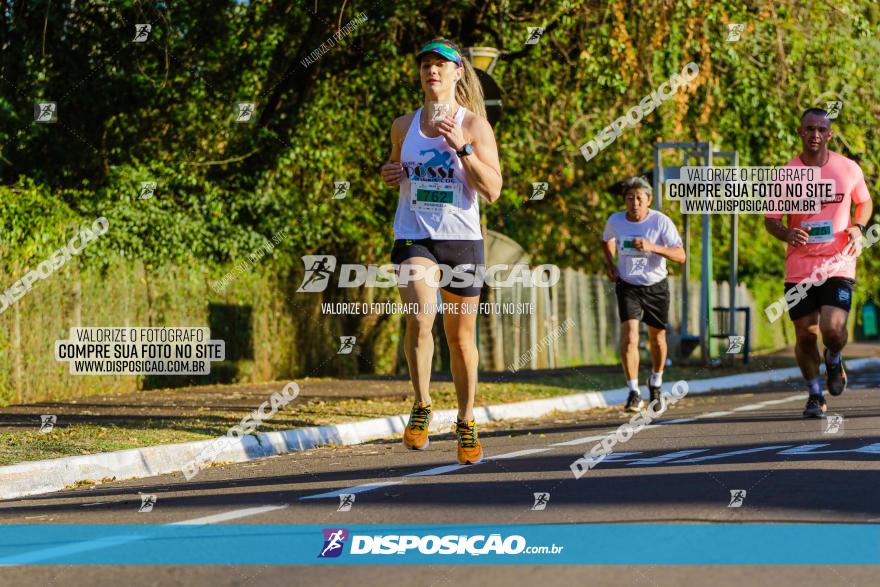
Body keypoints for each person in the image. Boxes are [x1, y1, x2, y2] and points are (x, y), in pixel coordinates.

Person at [379, 39, 502, 464]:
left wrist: (462, 148)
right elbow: (395, 168)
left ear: (457, 73)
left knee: (460, 338)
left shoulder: (474, 127)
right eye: (426, 64)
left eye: (441, 65)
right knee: (419, 317)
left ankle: (466, 420)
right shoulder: (402, 125)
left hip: (462, 241)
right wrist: (389, 172)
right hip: (415, 235)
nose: (432, 70)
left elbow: (493, 190)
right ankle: (422, 403)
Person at [764, 108, 873, 418]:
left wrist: (858, 226)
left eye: (820, 130)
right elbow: (771, 220)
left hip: (838, 263)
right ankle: (815, 394)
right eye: (809, 129)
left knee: (833, 328)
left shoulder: (847, 168)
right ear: (800, 132)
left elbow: (864, 202)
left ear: (829, 135)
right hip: (799, 268)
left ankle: (835, 357)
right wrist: (787, 233)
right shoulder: (786, 175)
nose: (814, 134)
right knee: (804, 334)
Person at [602, 176, 686, 413]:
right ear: (624, 201)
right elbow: (606, 240)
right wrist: (610, 264)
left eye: (640, 198)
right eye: (630, 198)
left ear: (649, 200)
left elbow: (681, 256)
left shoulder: (661, 222)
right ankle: (633, 391)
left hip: (656, 286)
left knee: (657, 338)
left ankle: (656, 382)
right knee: (629, 336)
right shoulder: (616, 220)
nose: (635, 203)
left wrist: (652, 247)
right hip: (628, 285)